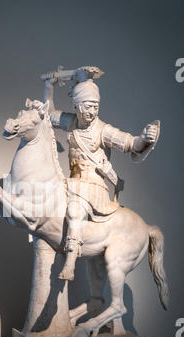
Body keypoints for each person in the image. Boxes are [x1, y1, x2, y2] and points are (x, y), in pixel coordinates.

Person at [43, 66, 159, 281]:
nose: (92, 111)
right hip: (70, 182)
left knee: (75, 211)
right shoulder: (72, 123)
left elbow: (130, 143)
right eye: (87, 106)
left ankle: (69, 263)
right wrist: (49, 87)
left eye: (95, 107)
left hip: (93, 186)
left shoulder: (103, 130)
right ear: (77, 106)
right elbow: (48, 116)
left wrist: (145, 138)